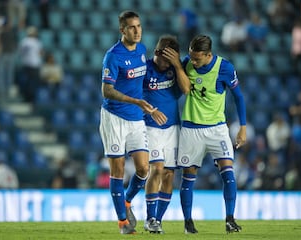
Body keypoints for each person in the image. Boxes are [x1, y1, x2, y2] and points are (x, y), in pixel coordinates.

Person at [98, 11, 167, 235]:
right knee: (118, 170)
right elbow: (106, 90)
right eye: (132, 28)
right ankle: (122, 223)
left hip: (136, 118)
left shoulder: (141, 50)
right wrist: (135, 100)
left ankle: (127, 201)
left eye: (139, 26)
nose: (137, 31)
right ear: (122, 30)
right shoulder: (113, 56)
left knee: (144, 168)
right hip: (115, 118)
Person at [174, 35, 246, 234]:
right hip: (191, 129)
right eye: (191, 57)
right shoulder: (187, 64)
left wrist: (243, 127)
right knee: (188, 177)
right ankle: (188, 222)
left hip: (217, 129)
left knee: (228, 173)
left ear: (208, 55)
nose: (193, 62)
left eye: (197, 59)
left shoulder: (225, 68)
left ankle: (230, 219)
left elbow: (238, 97)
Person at [142, 35, 184, 233]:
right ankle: (150, 217)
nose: (165, 64)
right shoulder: (144, 69)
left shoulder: (176, 70)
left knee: (168, 175)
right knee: (156, 170)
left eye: (170, 60)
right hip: (150, 127)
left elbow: (186, 89)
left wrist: (176, 65)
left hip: (173, 127)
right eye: (164, 59)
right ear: (157, 52)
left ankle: (157, 220)